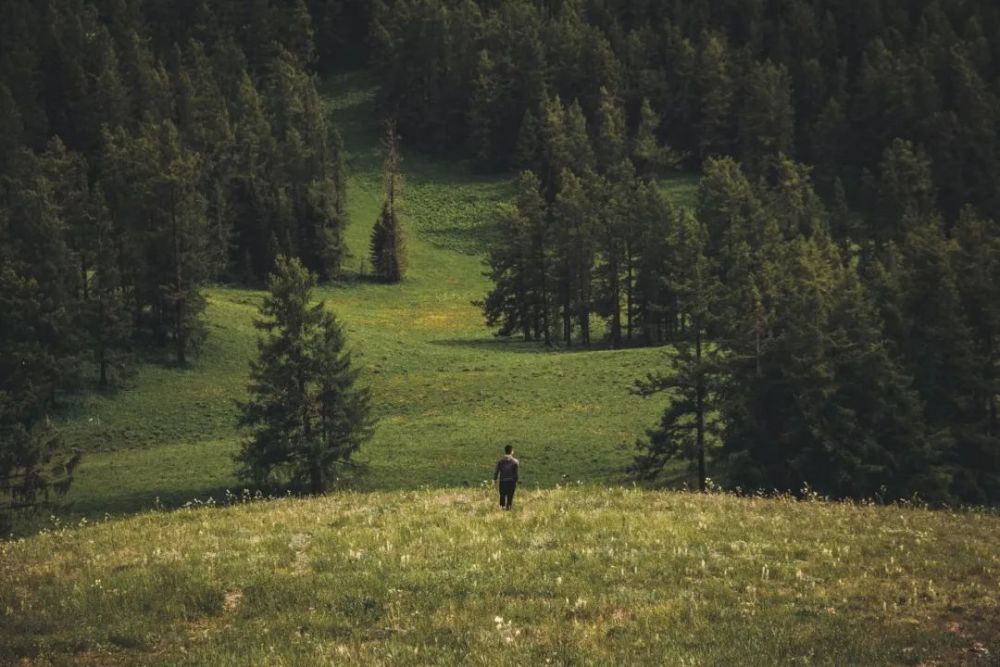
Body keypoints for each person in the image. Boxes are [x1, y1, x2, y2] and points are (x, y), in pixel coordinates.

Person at [493, 445, 519, 510]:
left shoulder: (500, 461)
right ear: (511, 451)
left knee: (502, 495)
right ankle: (509, 508)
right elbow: (516, 473)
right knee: (510, 496)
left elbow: (497, 471)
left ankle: (502, 508)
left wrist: (495, 479)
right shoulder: (515, 462)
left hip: (502, 481)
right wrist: (516, 481)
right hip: (511, 481)